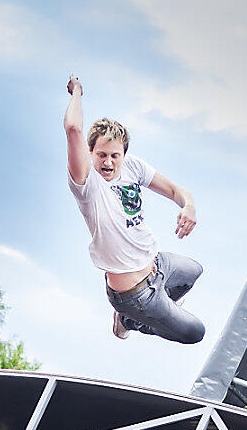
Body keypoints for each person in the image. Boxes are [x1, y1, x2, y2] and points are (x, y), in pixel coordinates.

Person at [63, 75, 205, 344]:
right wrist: (77, 93)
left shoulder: (133, 167)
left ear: (123, 155)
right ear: (89, 152)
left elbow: (176, 190)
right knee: (195, 333)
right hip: (134, 293)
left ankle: (145, 311)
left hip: (157, 265)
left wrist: (189, 206)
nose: (107, 162)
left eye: (114, 156)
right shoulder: (86, 183)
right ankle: (129, 319)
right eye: (101, 155)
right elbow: (73, 128)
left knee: (194, 271)